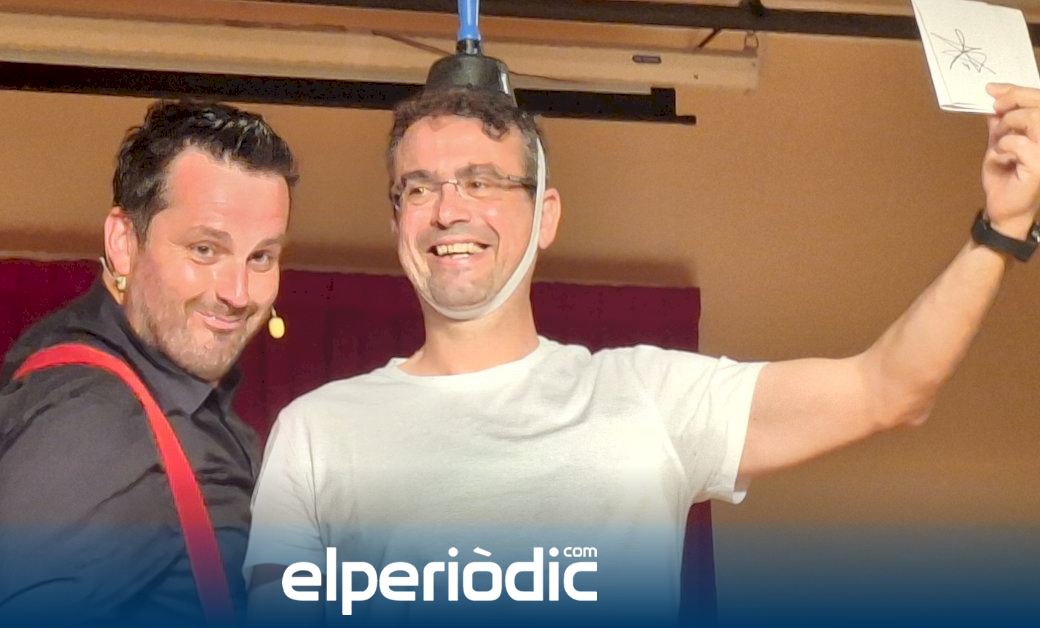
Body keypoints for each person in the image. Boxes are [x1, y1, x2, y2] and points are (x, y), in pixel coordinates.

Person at [243, 82, 1040, 625]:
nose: (449, 209)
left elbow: (888, 388)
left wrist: (1001, 228)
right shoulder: (320, 430)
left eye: (482, 182)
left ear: (545, 216)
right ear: (397, 222)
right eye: (419, 187)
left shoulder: (649, 397)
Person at [0, 100, 297, 626]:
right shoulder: (86, 420)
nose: (238, 293)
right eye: (205, 249)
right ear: (123, 243)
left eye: (261, 257)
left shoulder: (166, 394)